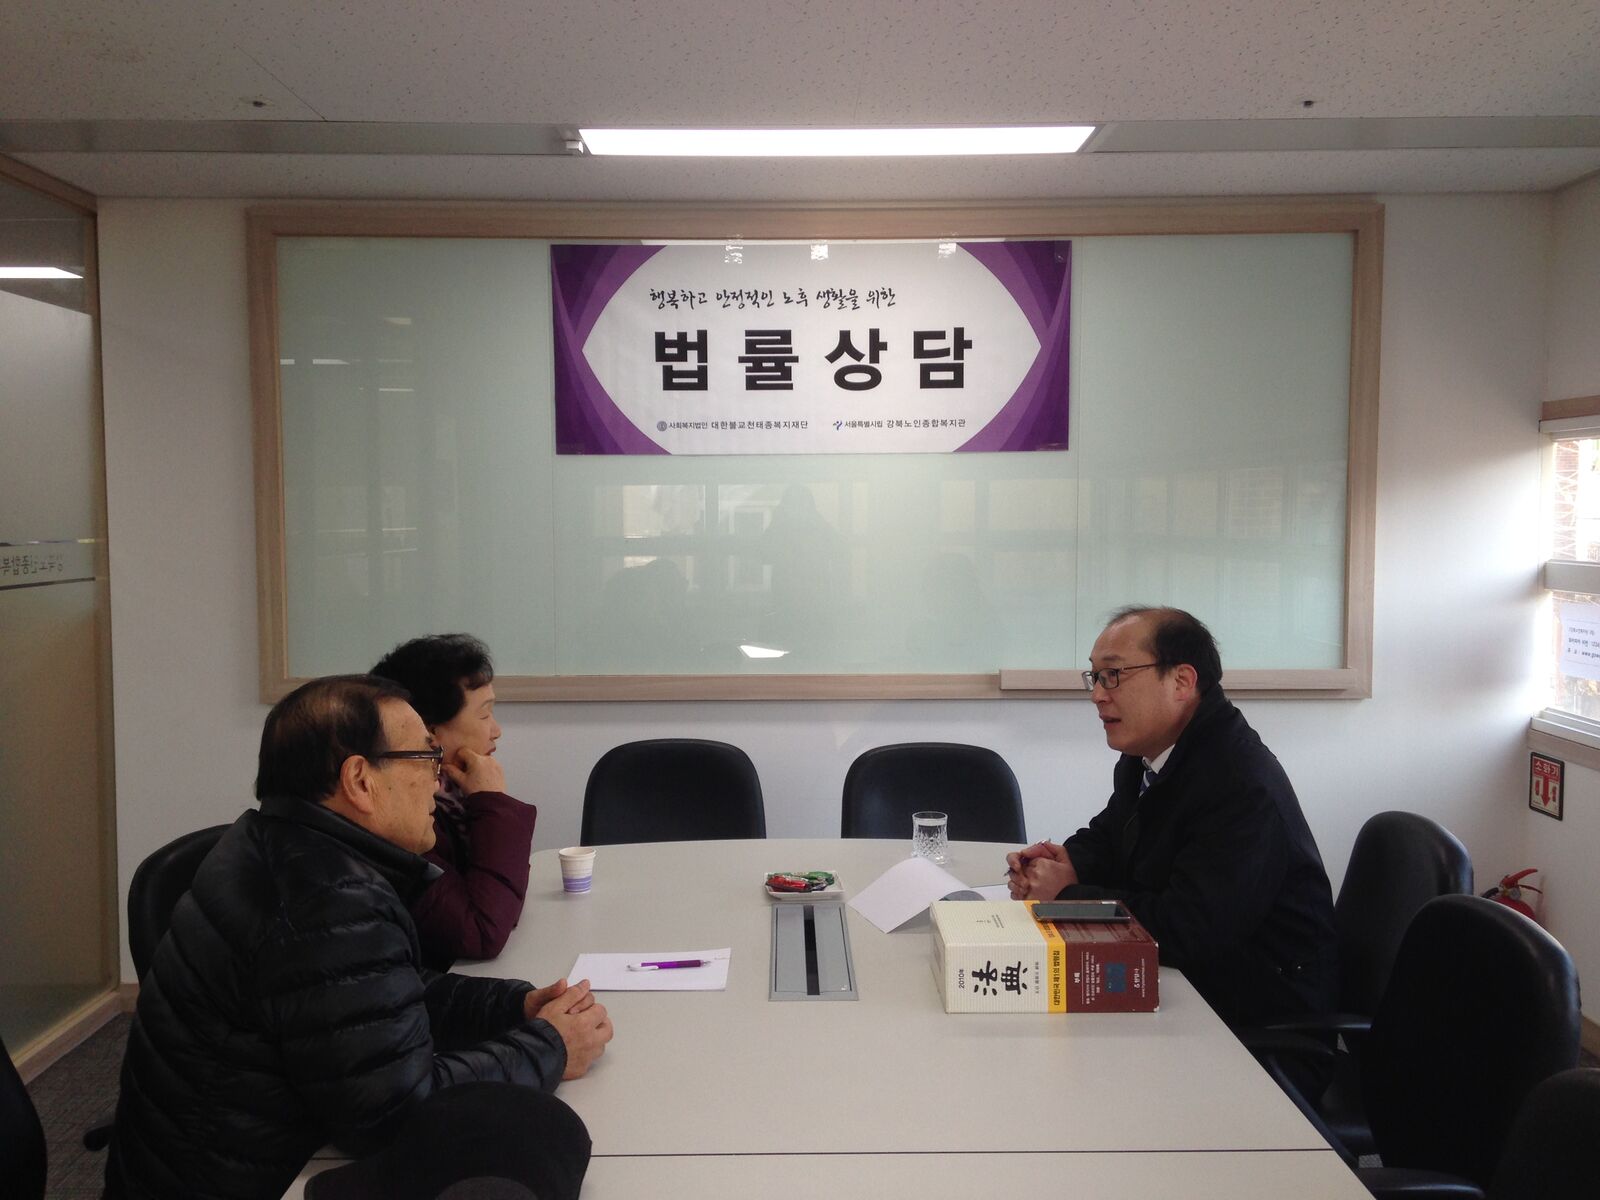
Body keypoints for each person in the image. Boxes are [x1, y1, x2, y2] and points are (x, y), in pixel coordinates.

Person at [106, 675, 612, 1200]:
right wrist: (550, 1047)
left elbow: (380, 992)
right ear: (360, 780)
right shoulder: (326, 898)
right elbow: (396, 1113)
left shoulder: (274, 843)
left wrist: (512, 1007)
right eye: (426, 757)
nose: (438, 778)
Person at [1007, 606, 1337, 1028]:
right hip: (1186, 985)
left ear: (1182, 681)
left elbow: (1188, 929)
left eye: (1114, 675)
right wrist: (1064, 862)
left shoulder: (1238, 784)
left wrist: (1066, 898)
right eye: (1095, 677)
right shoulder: (1150, 755)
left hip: (1252, 1018)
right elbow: (1113, 834)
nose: (1098, 695)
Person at [371, 634, 535, 970]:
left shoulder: (453, 798)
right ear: (429, 732)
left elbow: (505, 903)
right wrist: (492, 802)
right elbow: (482, 932)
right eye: (484, 716)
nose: (496, 731)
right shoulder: (400, 815)